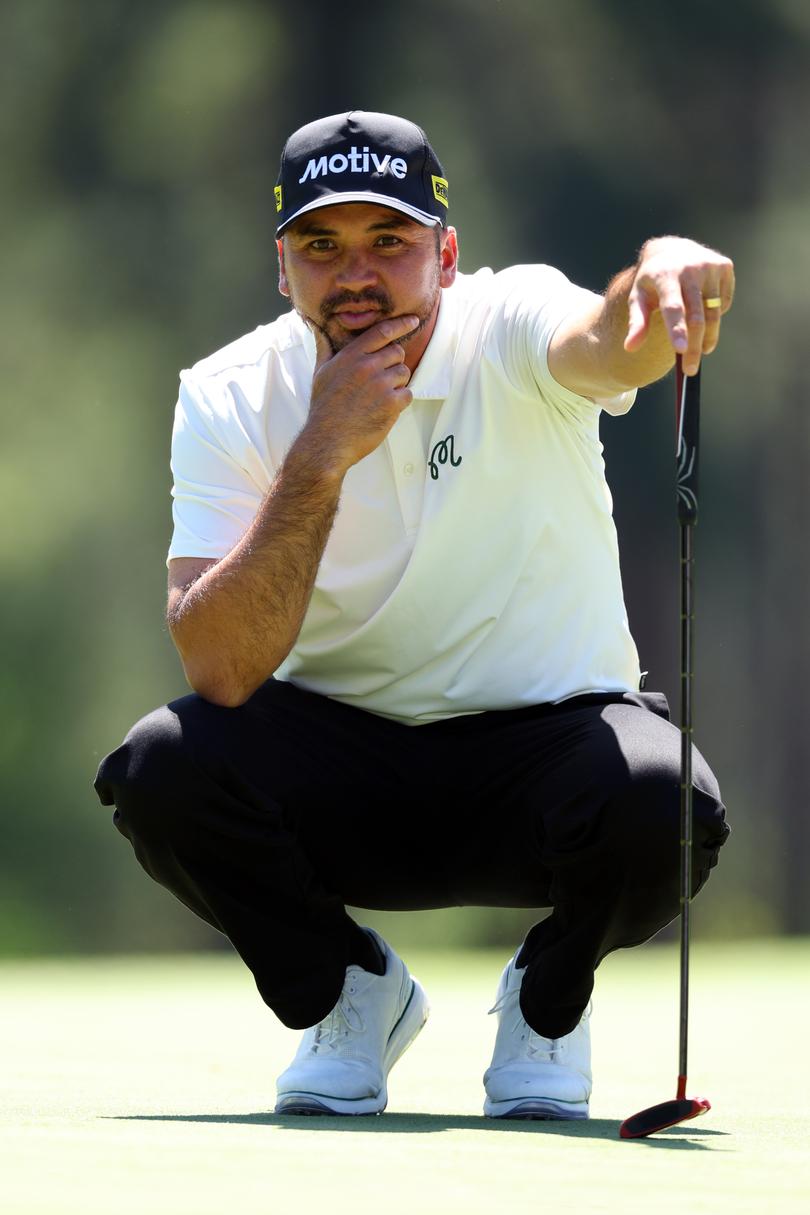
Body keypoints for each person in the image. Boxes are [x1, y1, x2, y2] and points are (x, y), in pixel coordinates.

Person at [95, 110, 732, 1120]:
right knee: (159, 768)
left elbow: (610, 343)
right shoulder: (226, 395)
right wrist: (321, 454)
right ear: (282, 267)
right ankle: (350, 993)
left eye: (389, 243)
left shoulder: (510, 322)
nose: (356, 274)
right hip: (340, 770)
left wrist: (660, 273)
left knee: (665, 800)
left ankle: (549, 1006)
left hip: (544, 759)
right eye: (322, 245)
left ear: (446, 253)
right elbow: (218, 669)